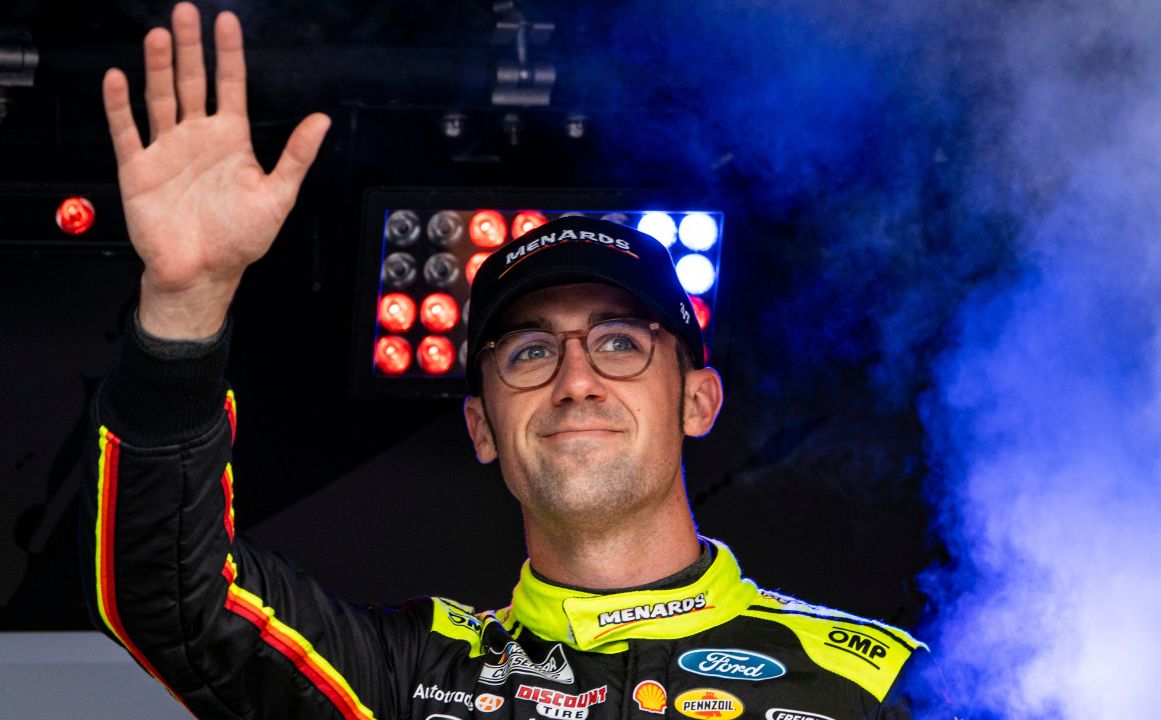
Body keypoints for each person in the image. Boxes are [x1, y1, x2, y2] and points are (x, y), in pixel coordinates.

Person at [81, 3, 951, 718]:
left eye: (620, 342)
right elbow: (180, 608)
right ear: (481, 425)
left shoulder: (877, 684)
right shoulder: (406, 676)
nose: (576, 380)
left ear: (698, 399)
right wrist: (187, 304)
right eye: (530, 351)